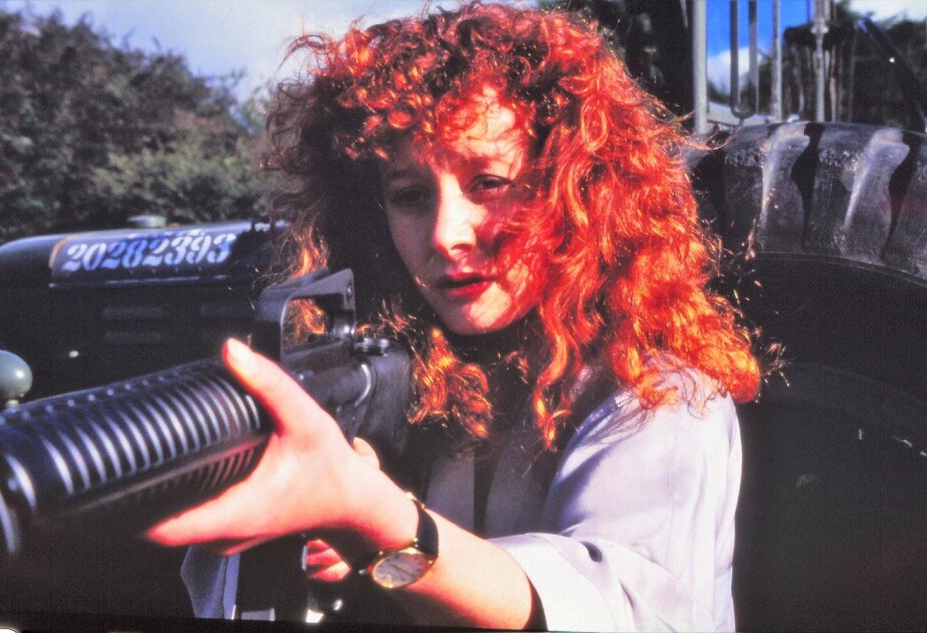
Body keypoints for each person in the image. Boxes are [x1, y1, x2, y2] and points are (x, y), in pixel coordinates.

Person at [146, 2, 764, 630]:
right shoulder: (408, 374)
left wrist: (375, 518)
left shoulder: (660, 395)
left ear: (575, 190)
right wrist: (322, 534)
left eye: (489, 182)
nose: (446, 235)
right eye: (410, 196)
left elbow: (615, 607)